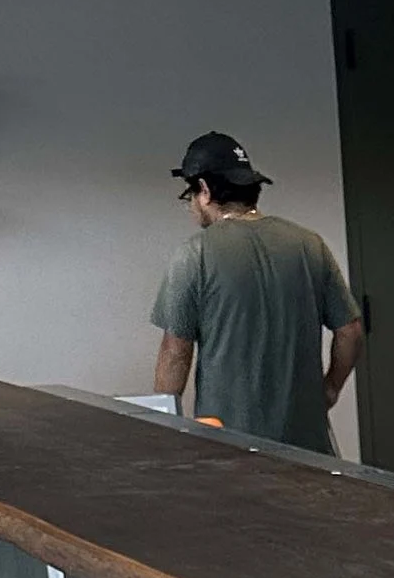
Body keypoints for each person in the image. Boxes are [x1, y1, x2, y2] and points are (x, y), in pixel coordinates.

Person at [149, 131, 365, 455]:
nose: (191, 207)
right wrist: (330, 389)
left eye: (189, 196)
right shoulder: (309, 244)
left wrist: (161, 431)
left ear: (204, 191)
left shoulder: (196, 254)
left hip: (227, 444)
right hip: (308, 445)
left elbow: (175, 352)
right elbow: (350, 331)